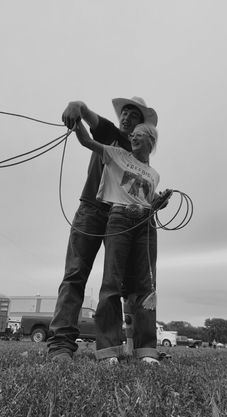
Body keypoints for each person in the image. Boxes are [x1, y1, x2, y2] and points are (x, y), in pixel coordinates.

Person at [47, 97, 169, 362]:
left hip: (125, 217)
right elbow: (88, 116)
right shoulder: (109, 133)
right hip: (93, 209)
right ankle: (61, 344)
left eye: (133, 116)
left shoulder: (138, 154)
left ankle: (133, 348)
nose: (126, 119)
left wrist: (155, 201)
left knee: (128, 283)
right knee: (76, 272)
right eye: (124, 113)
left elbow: (139, 187)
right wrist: (76, 105)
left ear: (143, 127)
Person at [74, 120, 161, 364]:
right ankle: (108, 350)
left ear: (150, 141)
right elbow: (87, 142)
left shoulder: (155, 174)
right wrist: (76, 123)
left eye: (139, 135)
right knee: (111, 281)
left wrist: (157, 204)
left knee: (146, 286)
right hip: (120, 219)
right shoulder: (117, 154)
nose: (133, 137)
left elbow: (145, 199)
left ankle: (146, 351)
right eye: (132, 134)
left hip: (146, 225)